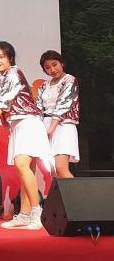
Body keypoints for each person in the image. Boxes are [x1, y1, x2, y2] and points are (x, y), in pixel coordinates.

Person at [0, 41, 52, 230]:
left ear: (10, 58)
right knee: (26, 171)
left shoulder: (14, 74)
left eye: (1, 56)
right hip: (18, 125)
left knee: (22, 165)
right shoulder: (1, 80)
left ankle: (37, 213)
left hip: (29, 122)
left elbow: (3, 103)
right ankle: (24, 215)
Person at [37, 50, 79, 179]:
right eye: (47, 67)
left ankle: (77, 193)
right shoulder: (44, 85)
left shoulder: (69, 80)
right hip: (46, 125)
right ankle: (60, 194)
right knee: (53, 170)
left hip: (63, 126)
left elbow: (63, 105)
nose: (52, 70)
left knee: (61, 168)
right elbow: (38, 108)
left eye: (55, 64)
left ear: (62, 63)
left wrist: (51, 129)